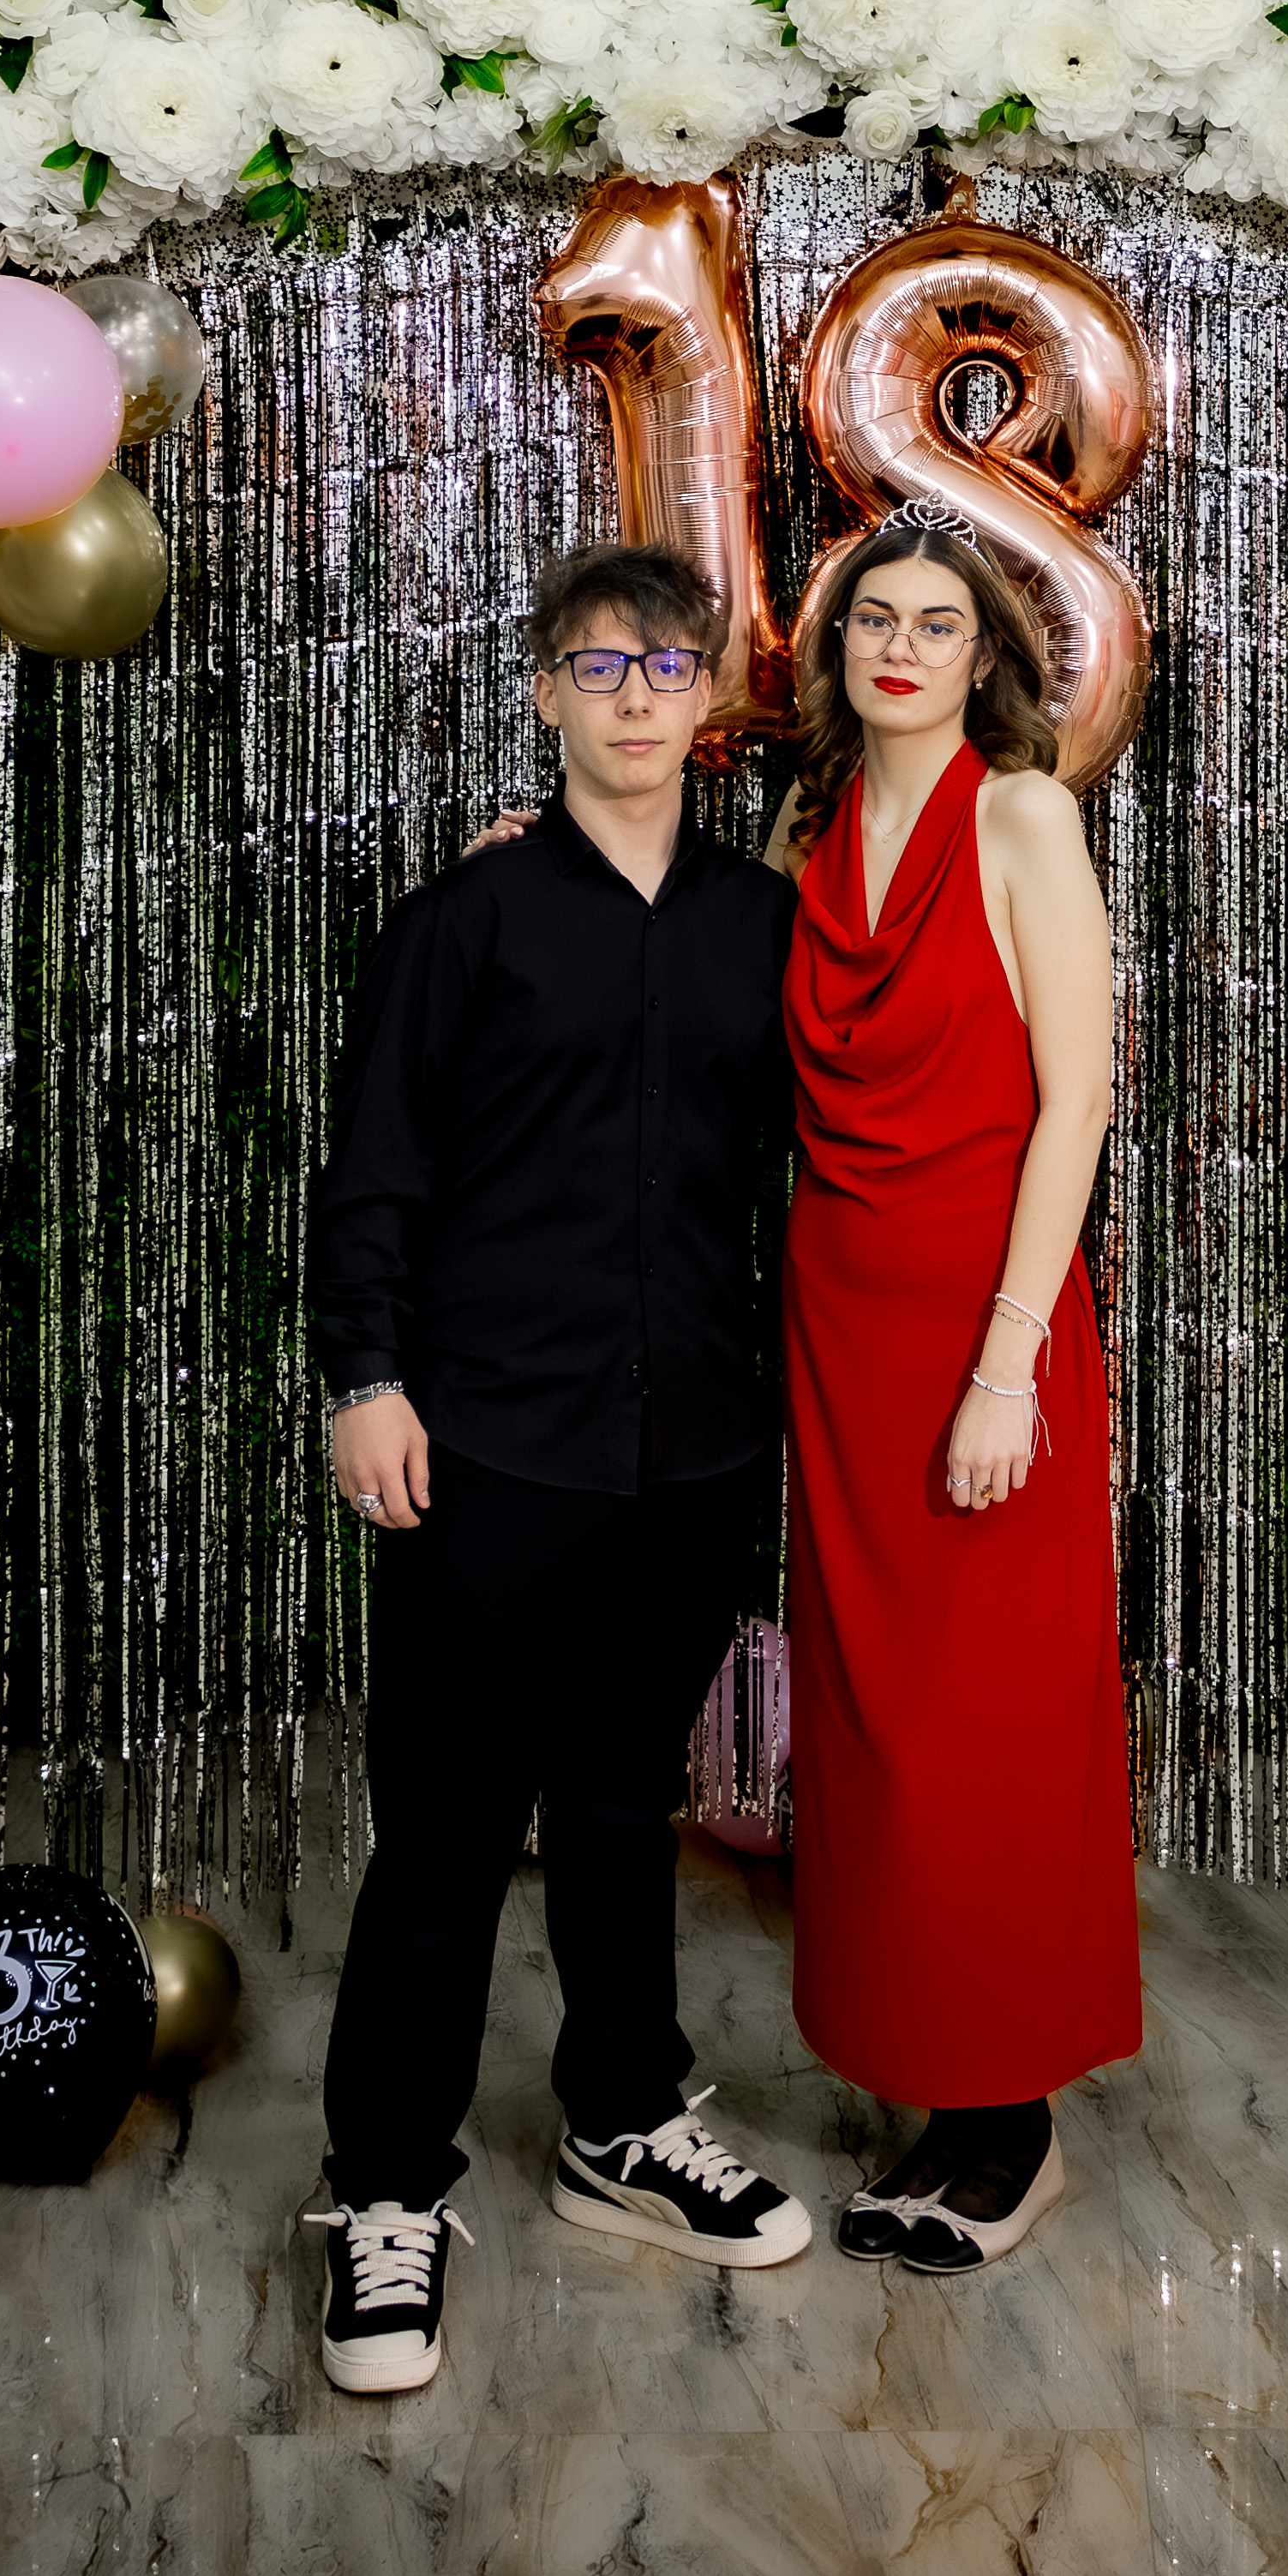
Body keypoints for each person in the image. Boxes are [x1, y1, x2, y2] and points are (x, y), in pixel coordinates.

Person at [303, 540, 814, 2398]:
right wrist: (366, 1378)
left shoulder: (768, 925)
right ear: (543, 693)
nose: (633, 695)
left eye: (666, 666)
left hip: (693, 1445)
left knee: (618, 1801)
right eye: (598, 665)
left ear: (708, 697)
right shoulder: (466, 918)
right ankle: (381, 2188)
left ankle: (622, 2117)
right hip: (490, 1434)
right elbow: (375, 1167)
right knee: (449, 1822)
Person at [772, 495, 1144, 2272]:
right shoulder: (804, 823)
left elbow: (1076, 1098)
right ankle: (929, 2085)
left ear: (985, 653)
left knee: (986, 1723)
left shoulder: (1020, 813)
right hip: (837, 1331)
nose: (900, 646)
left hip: (986, 1332)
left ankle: (1014, 2125)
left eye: (935, 622)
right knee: (871, 1727)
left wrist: (1009, 1365)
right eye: (873, 620)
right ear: (837, 649)